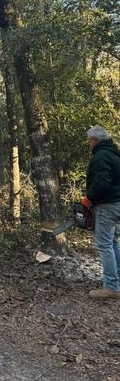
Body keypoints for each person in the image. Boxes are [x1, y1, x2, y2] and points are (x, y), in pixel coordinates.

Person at [83, 126, 120, 300]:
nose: (89, 144)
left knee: (104, 245)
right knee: (112, 243)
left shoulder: (101, 156)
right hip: (115, 202)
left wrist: (89, 198)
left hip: (106, 204)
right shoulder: (114, 153)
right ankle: (116, 281)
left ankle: (112, 287)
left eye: (90, 141)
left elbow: (101, 182)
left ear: (94, 140)